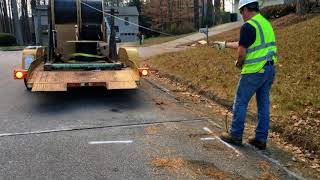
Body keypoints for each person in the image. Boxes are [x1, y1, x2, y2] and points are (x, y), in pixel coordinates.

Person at [213, 0, 277, 150]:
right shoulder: (265, 23)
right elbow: (247, 43)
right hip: (268, 70)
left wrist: (239, 63)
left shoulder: (248, 26)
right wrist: (225, 44)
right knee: (263, 104)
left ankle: (235, 135)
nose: (241, 15)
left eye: (242, 11)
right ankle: (261, 139)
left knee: (240, 102)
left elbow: (242, 52)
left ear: (248, 9)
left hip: (254, 71)